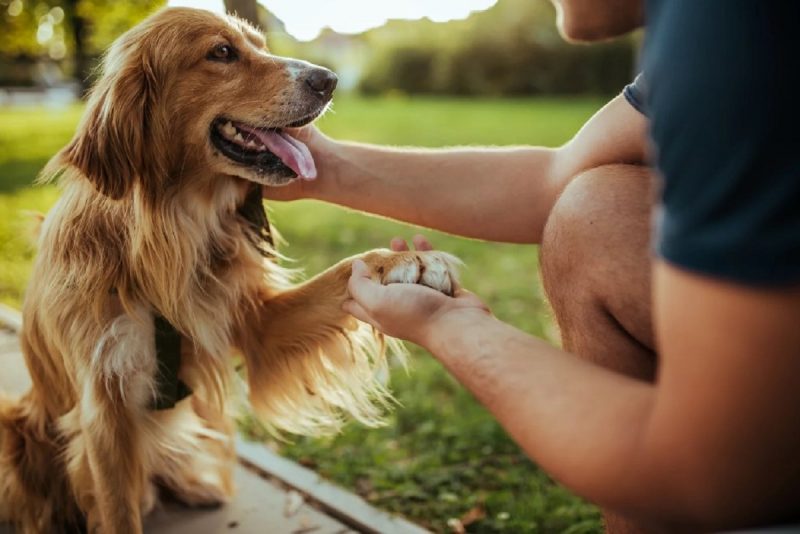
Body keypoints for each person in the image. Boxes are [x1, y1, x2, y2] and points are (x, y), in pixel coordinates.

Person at [265, 0, 800, 530]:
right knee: (597, 213)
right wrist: (323, 169)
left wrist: (448, 325)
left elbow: (709, 474)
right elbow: (556, 179)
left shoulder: (735, 23)